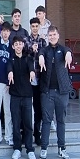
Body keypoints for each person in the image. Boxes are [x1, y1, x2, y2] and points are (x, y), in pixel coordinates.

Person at [38, 26, 73, 159]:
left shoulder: (62, 49)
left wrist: (69, 53)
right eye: (50, 35)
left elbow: (67, 51)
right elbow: (41, 53)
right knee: (46, 121)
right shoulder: (45, 50)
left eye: (54, 34)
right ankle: (44, 148)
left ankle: (62, 148)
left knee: (61, 121)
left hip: (62, 92)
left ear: (58, 36)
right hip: (47, 92)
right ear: (47, 37)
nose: (52, 37)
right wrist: (40, 57)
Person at [7, 36, 36, 159]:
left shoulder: (28, 58)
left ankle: (30, 149)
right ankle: (17, 148)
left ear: (23, 45)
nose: (18, 46)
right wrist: (10, 72)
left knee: (28, 124)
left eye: (20, 44)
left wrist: (32, 72)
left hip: (27, 96)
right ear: (13, 46)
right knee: (16, 123)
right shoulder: (11, 59)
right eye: (16, 44)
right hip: (15, 97)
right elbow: (9, 69)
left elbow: (31, 68)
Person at [26, 17, 47, 145]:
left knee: (38, 108)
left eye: (36, 26)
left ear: (39, 27)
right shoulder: (25, 40)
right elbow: (22, 54)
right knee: (28, 108)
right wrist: (30, 50)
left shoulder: (43, 42)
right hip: (28, 79)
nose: (34, 28)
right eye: (32, 26)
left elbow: (45, 54)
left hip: (40, 79)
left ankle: (37, 133)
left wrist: (39, 52)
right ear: (30, 27)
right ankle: (27, 133)